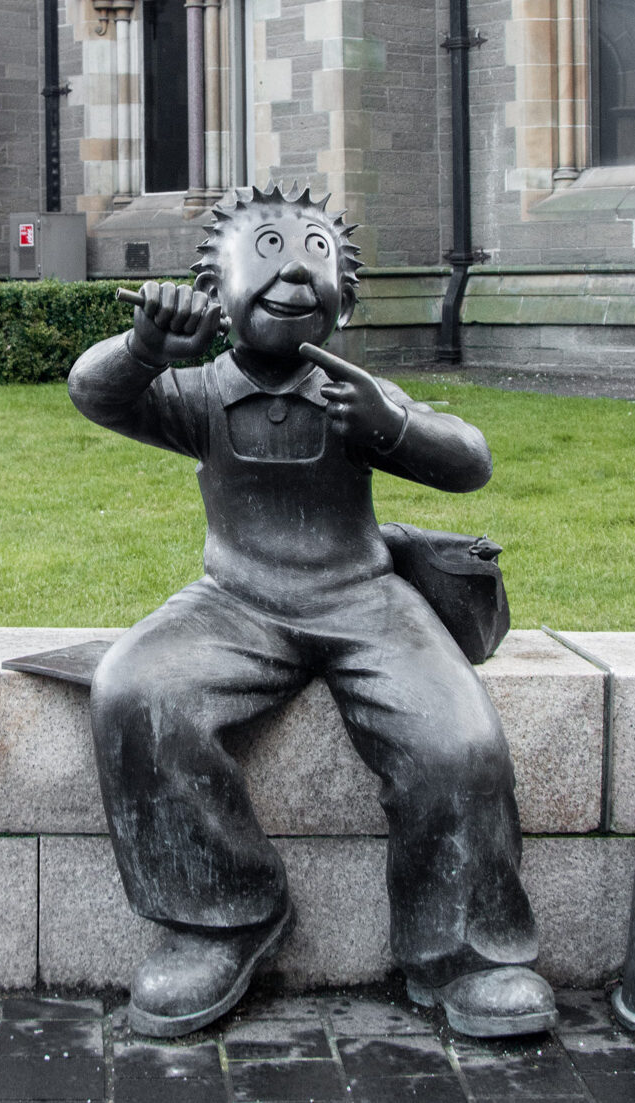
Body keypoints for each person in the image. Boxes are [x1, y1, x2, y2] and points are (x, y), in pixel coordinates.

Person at [67, 184, 554, 1039]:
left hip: (365, 599)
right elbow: (95, 394)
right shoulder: (196, 393)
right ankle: (221, 916)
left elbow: (470, 461)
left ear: (345, 295)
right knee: (134, 691)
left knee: (460, 741)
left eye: (317, 253)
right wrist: (143, 349)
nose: (294, 268)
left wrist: (391, 422)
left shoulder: (355, 394)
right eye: (265, 251)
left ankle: (467, 952)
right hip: (237, 602)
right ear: (211, 286)